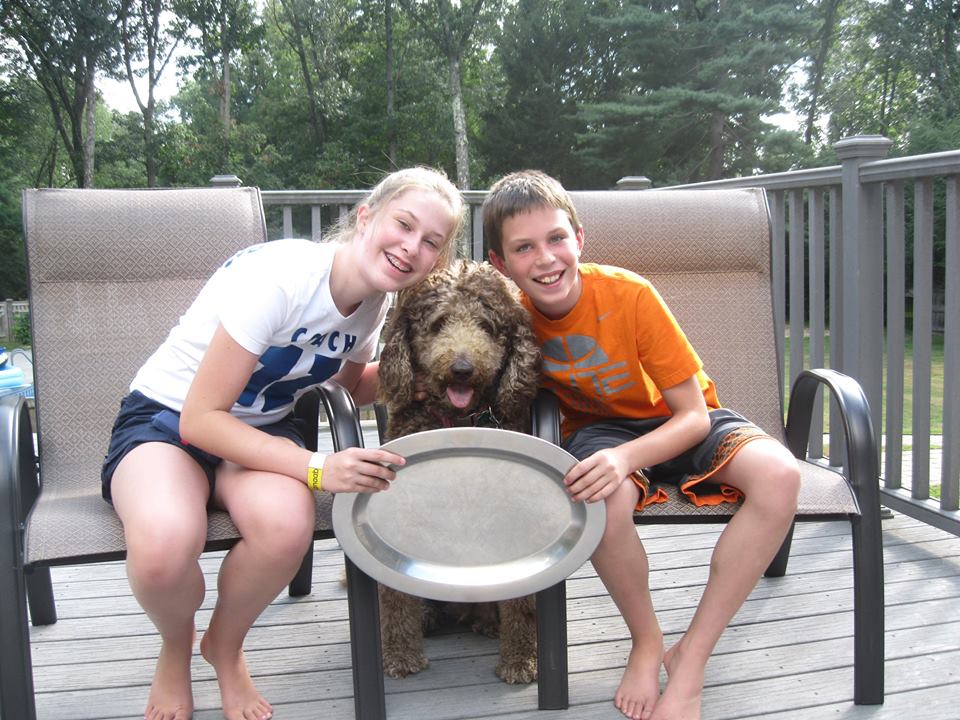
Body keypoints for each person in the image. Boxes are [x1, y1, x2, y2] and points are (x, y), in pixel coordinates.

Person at [101, 167, 465, 720]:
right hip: (169, 422)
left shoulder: (374, 301)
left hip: (263, 428)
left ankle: (224, 647)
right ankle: (175, 648)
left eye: (431, 241)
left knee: (286, 529)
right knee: (163, 548)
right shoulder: (282, 278)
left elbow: (349, 384)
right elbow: (201, 419)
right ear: (366, 216)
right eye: (404, 224)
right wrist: (318, 466)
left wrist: (436, 378)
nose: (411, 247)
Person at [484, 170, 800, 720]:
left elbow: (694, 416)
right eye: (524, 247)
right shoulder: (511, 320)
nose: (546, 258)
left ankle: (691, 657)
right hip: (600, 430)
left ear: (579, 238)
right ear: (500, 263)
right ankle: (647, 641)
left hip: (682, 423)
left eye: (557, 238)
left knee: (781, 475)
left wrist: (628, 457)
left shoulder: (629, 294)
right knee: (600, 500)